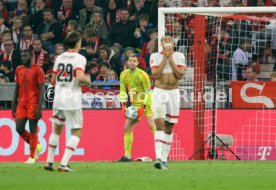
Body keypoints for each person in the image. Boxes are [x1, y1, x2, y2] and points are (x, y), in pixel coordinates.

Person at [44, 31, 91, 172]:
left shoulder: (59, 58)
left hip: (59, 97)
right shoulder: (80, 58)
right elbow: (80, 77)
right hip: (72, 98)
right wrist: (88, 79)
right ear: (78, 43)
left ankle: (48, 162)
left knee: (56, 130)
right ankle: (64, 164)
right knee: (77, 131)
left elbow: (53, 80)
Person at [150, 35, 185, 169]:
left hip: (173, 94)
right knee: (159, 123)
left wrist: (170, 58)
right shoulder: (155, 56)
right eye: (165, 40)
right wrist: (165, 57)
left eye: (170, 39)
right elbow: (156, 75)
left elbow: (180, 75)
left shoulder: (179, 56)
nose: (168, 41)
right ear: (161, 43)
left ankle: (164, 160)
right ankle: (158, 157)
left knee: (169, 127)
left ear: (173, 43)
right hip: (159, 92)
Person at [118, 54, 156, 162]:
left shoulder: (143, 75)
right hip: (135, 104)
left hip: (146, 102)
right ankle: (127, 156)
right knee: (127, 129)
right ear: (127, 62)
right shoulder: (123, 75)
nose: (132, 63)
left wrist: (143, 107)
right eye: (130, 61)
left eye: (134, 61)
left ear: (137, 63)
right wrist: (123, 106)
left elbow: (149, 92)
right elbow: (122, 91)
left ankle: (162, 154)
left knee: (152, 126)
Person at [11, 48, 45, 164]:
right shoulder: (18, 69)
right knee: (19, 128)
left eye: (25, 56)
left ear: (31, 56)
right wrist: (13, 104)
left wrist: (40, 107)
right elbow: (17, 87)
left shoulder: (38, 70)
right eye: (22, 56)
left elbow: (42, 89)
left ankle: (31, 157)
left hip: (33, 102)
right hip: (22, 103)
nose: (23, 58)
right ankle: (37, 145)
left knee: (32, 128)